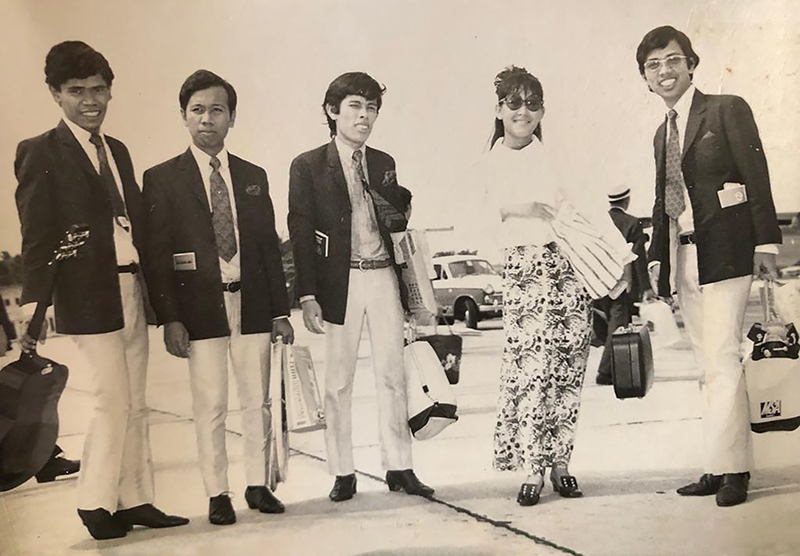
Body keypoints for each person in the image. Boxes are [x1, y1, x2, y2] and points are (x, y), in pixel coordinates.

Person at [14, 41, 187, 539]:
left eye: (98, 90)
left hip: (131, 288)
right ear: (55, 94)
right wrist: (34, 304)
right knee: (111, 399)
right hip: (86, 294)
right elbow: (37, 234)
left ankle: (135, 499)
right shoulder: (39, 151)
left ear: (110, 91)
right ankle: (94, 503)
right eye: (76, 91)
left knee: (135, 401)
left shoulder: (118, 150)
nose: (90, 101)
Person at [637, 26, 781, 507]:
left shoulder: (726, 109)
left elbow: (755, 174)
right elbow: (663, 202)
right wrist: (657, 260)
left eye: (672, 60)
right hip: (685, 258)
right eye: (653, 65)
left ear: (691, 64)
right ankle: (718, 464)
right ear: (645, 78)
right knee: (707, 365)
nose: (664, 71)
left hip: (727, 252)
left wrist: (766, 244)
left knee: (721, 358)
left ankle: (735, 469)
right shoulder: (662, 134)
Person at [142, 70, 293, 525]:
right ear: (183, 115)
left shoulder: (252, 176)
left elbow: (267, 248)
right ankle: (217, 493)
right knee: (210, 404)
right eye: (197, 110)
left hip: (253, 304)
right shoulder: (162, 178)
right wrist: (170, 317)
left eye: (217, 110)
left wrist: (280, 311)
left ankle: (258, 484)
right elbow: (157, 256)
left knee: (257, 399)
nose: (207, 119)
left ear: (232, 117)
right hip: (200, 310)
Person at [288, 72, 433, 502]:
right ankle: (342, 471)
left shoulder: (384, 162)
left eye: (371, 108)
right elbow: (300, 231)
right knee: (339, 382)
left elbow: (395, 226)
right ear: (332, 111)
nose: (364, 116)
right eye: (355, 106)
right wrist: (308, 294)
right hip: (341, 280)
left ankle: (400, 466)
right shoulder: (307, 165)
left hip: (383, 274)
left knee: (393, 375)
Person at [482, 66, 594, 506]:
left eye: (532, 104)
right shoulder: (489, 162)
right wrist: (521, 207)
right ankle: (532, 467)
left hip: (568, 269)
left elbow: (583, 209)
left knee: (567, 368)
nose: (523, 111)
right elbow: (481, 216)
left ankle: (561, 463)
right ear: (499, 109)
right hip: (524, 271)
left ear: (542, 111)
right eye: (514, 102)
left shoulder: (556, 157)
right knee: (532, 371)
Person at [594, 185, 650, 385]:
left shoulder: (599, 221)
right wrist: (646, 287)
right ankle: (605, 372)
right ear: (627, 201)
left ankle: (614, 367)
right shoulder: (632, 223)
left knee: (610, 323)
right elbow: (638, 258)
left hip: (599, 281)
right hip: (621, 282)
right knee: (618, 326)